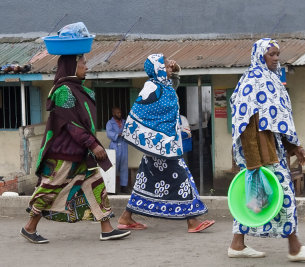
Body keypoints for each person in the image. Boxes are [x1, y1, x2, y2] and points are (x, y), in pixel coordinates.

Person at [228, 38, 305, 261]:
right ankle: (295, 247)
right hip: (260, 156)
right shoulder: (251, 82)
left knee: (253, 200)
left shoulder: (271, 80)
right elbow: (246, 125)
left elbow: (279, 120)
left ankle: (237, 244)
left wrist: (294, 146)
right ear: (260, 55)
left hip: (275, 151)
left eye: (277, 54)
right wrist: (254, 164)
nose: (276, 58)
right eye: (271, 54)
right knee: (285, 197)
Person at [20, 55, 130, 243]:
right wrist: (94, 144)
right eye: (83, 64)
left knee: (96, 185)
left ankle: (107, 228)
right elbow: (72, 124)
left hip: (80, 152)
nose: (87, 67)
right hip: (64, 153)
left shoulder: (79, 90)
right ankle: (29, 227)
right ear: (72, 67)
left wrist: (89, 145)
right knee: (50, 189)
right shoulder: (64, 91)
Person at [118, 54, 215, 232]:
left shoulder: (164, 86)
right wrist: (157, 133)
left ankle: (126, 217)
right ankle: (192, 221)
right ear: (157, 68)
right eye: (165, 64)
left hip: (163, 145)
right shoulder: (151, 87)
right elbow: (139, 113)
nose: (170, 64)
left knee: (144, 181)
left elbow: (171, 91)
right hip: (161, 145)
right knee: (183, 177)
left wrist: (175, 72)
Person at [106, 107, 129, 194]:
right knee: (113, 167)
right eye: (117, 113)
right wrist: (118, 134)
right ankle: (112, 188)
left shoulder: (124, 122)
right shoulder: (110, 123)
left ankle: (124, 187)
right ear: (113, 114)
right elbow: (109, 133)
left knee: (124, 166)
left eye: (120, 112)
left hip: (123, 145)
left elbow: (129, 130)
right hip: (115, 146)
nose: (119, 114)